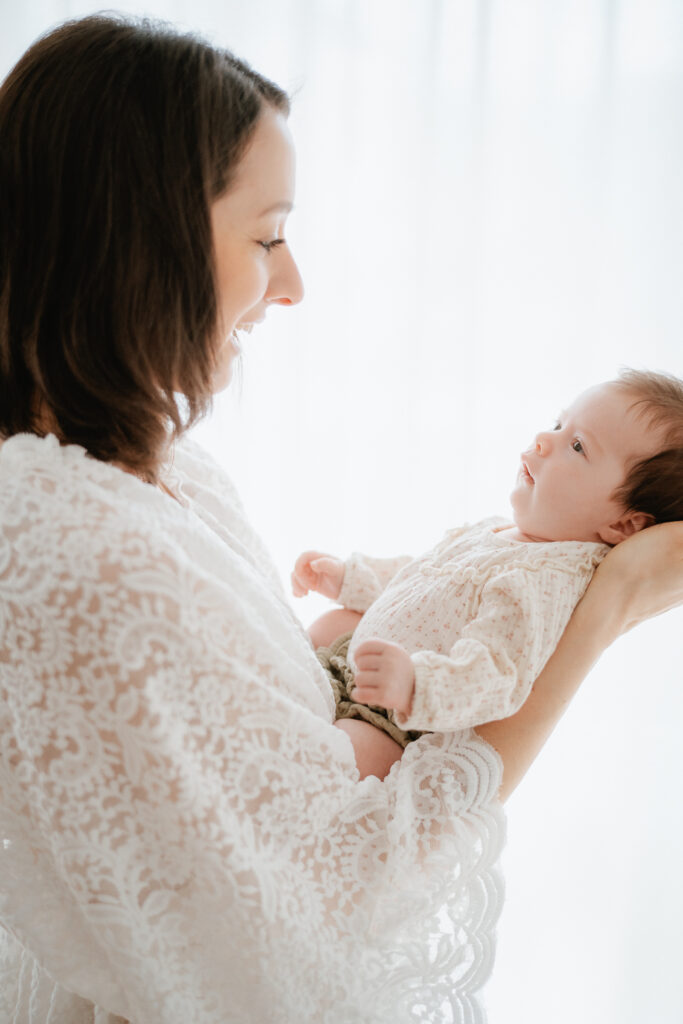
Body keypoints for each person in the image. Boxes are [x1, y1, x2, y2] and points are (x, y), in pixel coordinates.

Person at [0, 14, 681, 1024]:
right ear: (142, 239)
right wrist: (607, 609)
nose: (293, 282)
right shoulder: (80, 552)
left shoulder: (172, 470)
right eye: (267, 234)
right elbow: (320, 915)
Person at [292, 370, 683, 779]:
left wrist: (415, 684)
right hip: (365, 663)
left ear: (623, 526)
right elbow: (418, 576)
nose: (542, 440)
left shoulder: (545, 581)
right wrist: (347, 579)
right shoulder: (498, 530)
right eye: (557, 424)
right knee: (329, 625)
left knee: (347, 758)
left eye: (578, 446)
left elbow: (496, 673)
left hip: (393, 718)